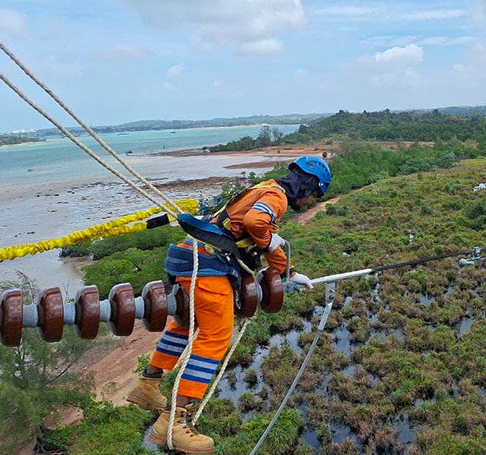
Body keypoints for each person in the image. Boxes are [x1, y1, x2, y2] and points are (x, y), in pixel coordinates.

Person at [125, 156, 332, 454]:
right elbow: (256, 223)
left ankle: (148, 384)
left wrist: (289, 272)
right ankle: (175, 422)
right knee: (216, 337)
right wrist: (270, 241)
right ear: (310, 186)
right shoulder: (277, 197)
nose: (312, 201)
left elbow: (256, 232)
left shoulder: (264, 187)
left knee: (186, 324)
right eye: (315, 195)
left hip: (189, 256)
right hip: (209, 267)